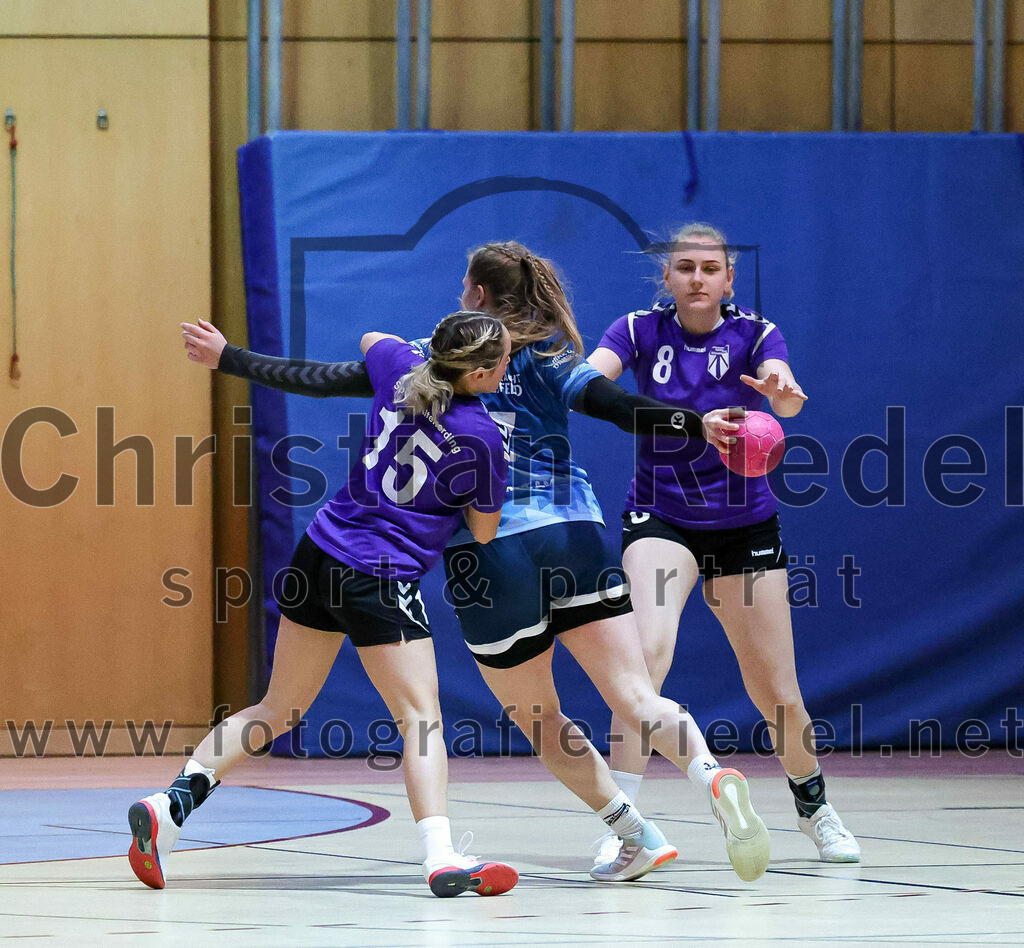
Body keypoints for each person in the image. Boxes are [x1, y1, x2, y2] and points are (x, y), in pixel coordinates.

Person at [202, 242, 772, 885]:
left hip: (492, 551)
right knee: (636, 693)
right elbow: (617, 407)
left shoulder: (428, 357)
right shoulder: (554, 354)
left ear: (474, 294)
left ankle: (631, 831)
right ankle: (712, 774)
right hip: (576, 535)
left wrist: (230, 358)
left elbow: (324, 377)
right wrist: (698, 424)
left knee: (540, 715)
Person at [129, 310, 521, 899]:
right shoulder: (486, 437)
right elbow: (484, 532)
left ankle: (170, 805)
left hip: (318, 553)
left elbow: (371, 337)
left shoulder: (398, 368)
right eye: (505, 359)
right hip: (382, 575)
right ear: (485, 374)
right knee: (420, 720)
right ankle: (440, 857)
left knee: (276, 708)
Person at [587, 222, 861, 865]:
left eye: (711, 268)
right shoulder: (636, 330)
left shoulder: (755, 334)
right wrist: (579, 380)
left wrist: (782, 395)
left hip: (744, 527)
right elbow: (591, 382)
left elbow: (782, 387)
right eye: (685, 268)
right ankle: (625, 826)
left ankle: (814, 807)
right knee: (643, 663)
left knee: (778, 690)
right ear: (668, 277)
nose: (698, 278)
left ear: (729, 278)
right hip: (661, 518)